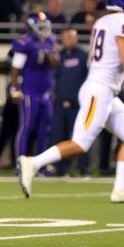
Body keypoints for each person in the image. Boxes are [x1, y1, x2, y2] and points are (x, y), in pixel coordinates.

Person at [18, 0, 124, 203]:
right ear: (123, 0)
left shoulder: (103, 21)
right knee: (80, 144)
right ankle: (33, 163)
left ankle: (120, 189)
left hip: (104, 90)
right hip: (100, 91)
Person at [10, 11, 60, 161]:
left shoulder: (50, 41)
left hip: (46, 92)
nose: (45, 29)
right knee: (26, 128)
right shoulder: (25, 43)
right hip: (29, 91)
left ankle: (40, 164)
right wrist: (15, 90)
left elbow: (56, 63)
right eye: (41, 26)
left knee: (45, 130)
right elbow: (15, 69)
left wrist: (50, 52)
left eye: (46, 25)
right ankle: (21, 162)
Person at [50, 28, 90, 176]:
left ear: (77, 38)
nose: (69, 40)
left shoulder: (83, 56)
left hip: (78, 105)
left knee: (81, 138)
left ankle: (83, 169)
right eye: (66, 37)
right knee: (59, 137)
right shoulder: (58, 57)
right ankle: (61, 169)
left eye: (71, 37)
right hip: (60, 105)